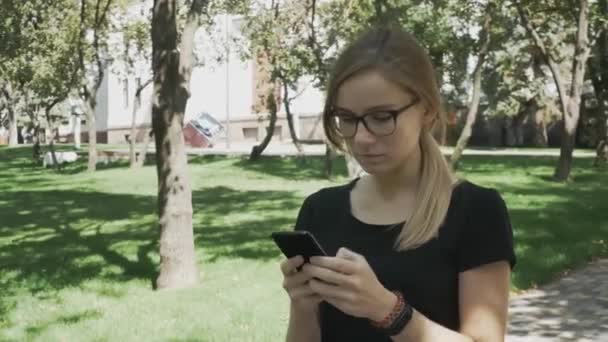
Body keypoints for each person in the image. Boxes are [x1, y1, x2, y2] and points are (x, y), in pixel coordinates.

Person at [279, 25, 516, 342]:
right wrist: (302, 306)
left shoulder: (475, 211)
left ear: (428, 112)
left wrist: (387, 309)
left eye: (381, 117)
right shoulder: (320, 209)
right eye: (347, 118)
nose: (362, 138)